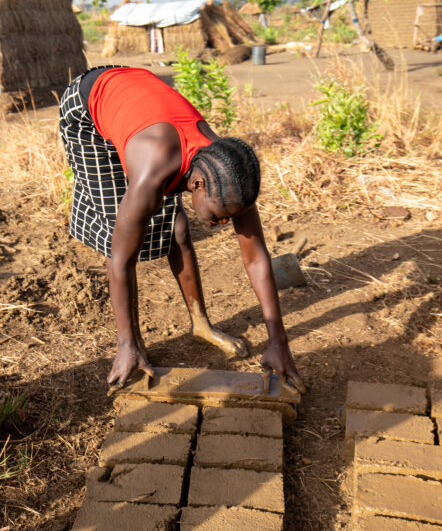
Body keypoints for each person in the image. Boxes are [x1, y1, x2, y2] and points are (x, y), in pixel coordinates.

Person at [58, 66, 305, 394]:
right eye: (218, 216)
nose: (220, 224)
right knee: (121, 230)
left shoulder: (229, 169)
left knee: (177, 230)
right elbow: (120, 261)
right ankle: (132, 346)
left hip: (142, 103)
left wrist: (279, 342)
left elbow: (257, 258)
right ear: (197, 184)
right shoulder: (153, 169)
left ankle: (200, 323)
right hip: (88, 106)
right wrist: (126, 342)